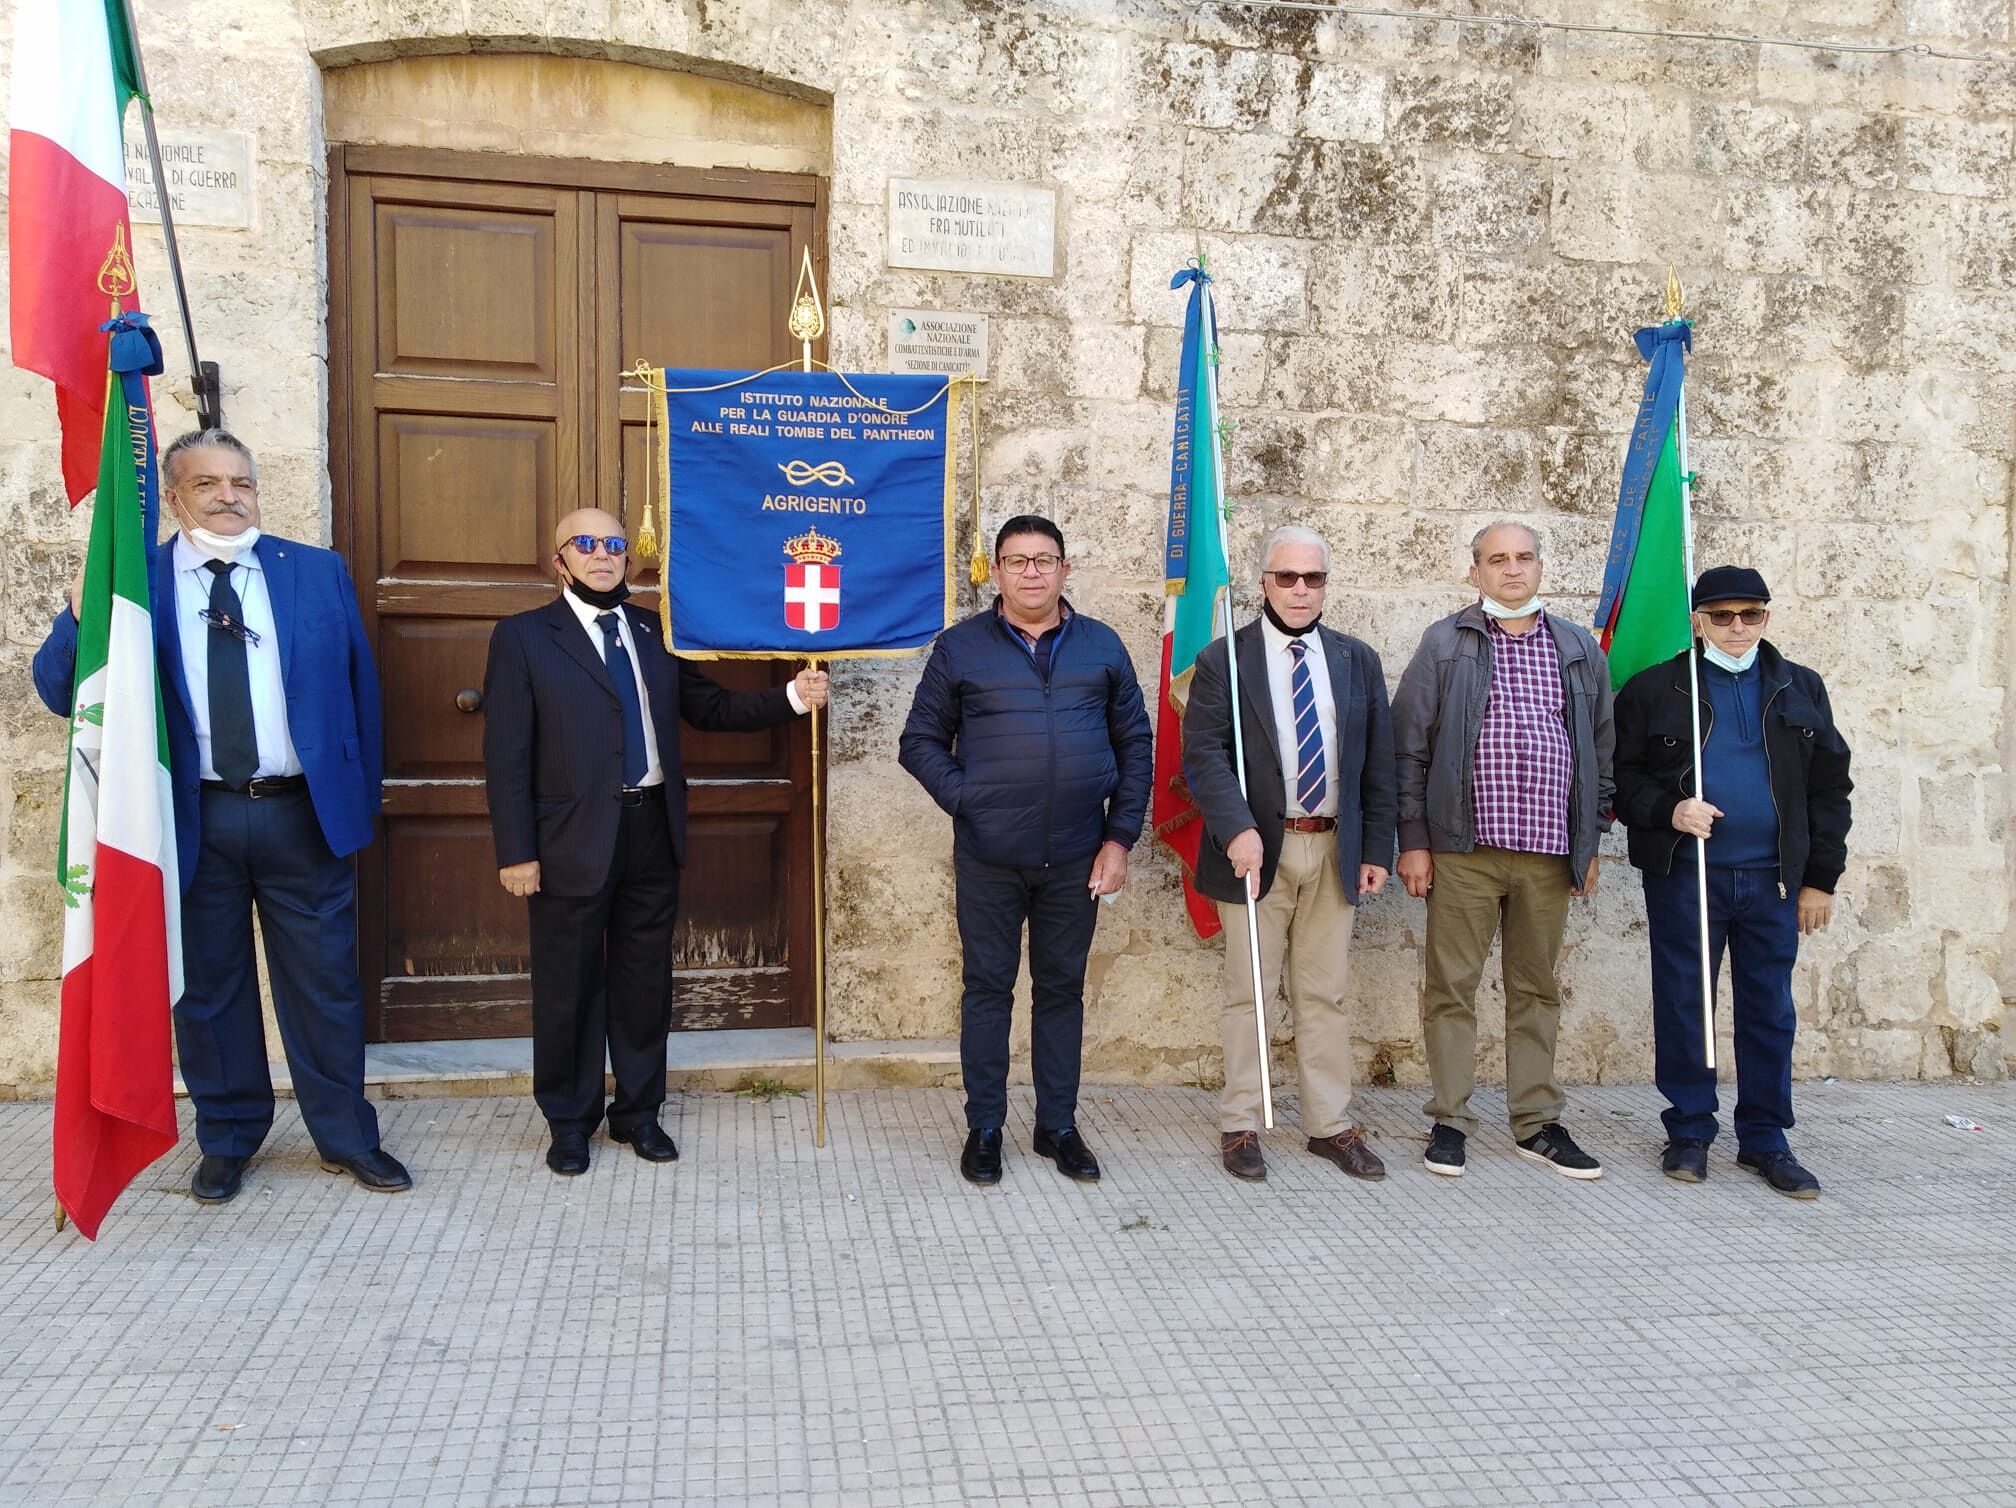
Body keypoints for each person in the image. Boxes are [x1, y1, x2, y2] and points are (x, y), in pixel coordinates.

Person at [32, 429, 407, 1204]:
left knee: (325, 986)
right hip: (192, 819)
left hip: (300, 816)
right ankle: (229, 1137)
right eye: (207, 484)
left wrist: (355, 799)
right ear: (173, 497)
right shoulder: (138, 583)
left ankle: (346, 1135)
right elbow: (63, 691)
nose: (229, 497)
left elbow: (359, 692)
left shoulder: (316, 571)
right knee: (208, 991)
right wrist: (79, 612)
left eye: (241, 482)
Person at [483, 509, 825, 1177]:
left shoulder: (653, 631)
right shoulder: (523, 637)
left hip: (651, 829)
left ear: (627, 557)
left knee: (644, 983)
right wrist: (515, 851)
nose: (602, 554)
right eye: (586, 544)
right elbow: (506, 753)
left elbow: (711, 708)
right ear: (559, 561)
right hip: (568, 840)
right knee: (568, 986)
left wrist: (791, 696)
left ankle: (639, 1113)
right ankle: (569, 1121)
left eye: (614, 544)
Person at [898, 514, 1152, 1186]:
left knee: (1061, 990)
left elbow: (1135, 745)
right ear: (997, 572)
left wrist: (1119, 839)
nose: (1032, 572)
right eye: (1017, 560)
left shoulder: (1102, 646)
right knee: (987, 988)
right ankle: (985, 1127)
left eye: (1044, 560)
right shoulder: (960, 648)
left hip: (1077, 855)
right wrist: (971, 799)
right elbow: (918, 741)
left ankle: (1057, 1126)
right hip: (989, 856)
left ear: (1065, 569)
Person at [1612, 567, 1851, 1198]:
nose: (1737, 627)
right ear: (1698, 621)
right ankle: (1690, 1130)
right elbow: (1622, 778)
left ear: (1767, 617)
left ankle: (1766, 1138)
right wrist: (1670, 809)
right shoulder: (1656, 688)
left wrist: (1821, 879)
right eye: (1721, 616)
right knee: (1686, 1003)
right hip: (1687, 876)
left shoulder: (1800, 687)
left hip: (1774, 880)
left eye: (1750, 614)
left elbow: (1830, 788)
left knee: (1769, 1009)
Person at [1392, 521, 1614, 1181]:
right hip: (1464, 850)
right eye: (1497, 559)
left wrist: (1590, 839)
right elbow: (1409, 747)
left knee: (1536, 988)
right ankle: (1449, 1120)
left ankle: (1537, 1123)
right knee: (1451, 987)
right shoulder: (1445, 642)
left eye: (1523, 558)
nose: (1512, 569)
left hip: (1549, 853)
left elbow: (1601, 749)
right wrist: (1414, 841)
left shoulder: (1577, 647)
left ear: (1541, 567)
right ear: (1476, 572)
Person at [1182, 526, 1396, 1183]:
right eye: (1287, 577)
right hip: (1256, 851)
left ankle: (1329, 1125)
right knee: (1250, 991)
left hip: (1333, 847)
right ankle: (1241, 1122)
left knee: (1324, 993)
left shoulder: (1357, 660)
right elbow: (1204, 754)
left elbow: (1377, 762)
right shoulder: (1225, 659)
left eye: (1314, 578)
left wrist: (1376, 847)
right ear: (1264, 583)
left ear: (1326, 585)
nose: (1300, 589)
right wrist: (1235, 829)